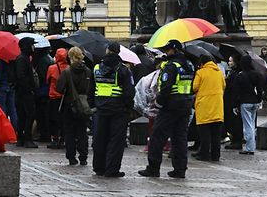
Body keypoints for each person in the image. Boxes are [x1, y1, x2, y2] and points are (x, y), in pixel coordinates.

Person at [139, 39, 194, 179]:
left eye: (168, 49)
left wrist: (158, 104)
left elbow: (165, 88)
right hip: (186, 104)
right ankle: (180, 169)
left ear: (174, 50)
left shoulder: (171, 66)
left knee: (157, 136)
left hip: (170, 105)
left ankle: (153, 168)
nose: (165, 51)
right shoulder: (189, 65)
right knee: (180, 138)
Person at [89, 42, 135, 178]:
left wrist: (93, 105)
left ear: (107, 50)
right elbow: (129, 92)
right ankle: (112, 169)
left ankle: (98, 167)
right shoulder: (123, 69)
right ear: (118, 52)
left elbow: (90, 89)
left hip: (101, 109)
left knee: (99, 139)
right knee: (116, 141)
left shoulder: (96, 68)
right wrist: (128, 107)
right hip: (118, 110)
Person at [55, 47, 91, 166]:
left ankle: (71, 157)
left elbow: (59, 88)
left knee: (69, 132)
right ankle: (83, 157)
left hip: (69, 105)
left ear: (70, 57)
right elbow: (90, 89)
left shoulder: (67, 71)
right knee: (82, 132)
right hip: (83, 105)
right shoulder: (87, 71)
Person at [192, 54, 225, 162]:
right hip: (217, 107)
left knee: (205, 134)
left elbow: (194, 87)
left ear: (202, 63)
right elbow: (224, 85)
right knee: (216, 134)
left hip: (204, 107)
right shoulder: (219, 72)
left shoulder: (200, 73)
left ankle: (204, 154)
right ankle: (216, 155)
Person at [230, 55, 263, 155]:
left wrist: (235, 105)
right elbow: (260, 89)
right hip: (254, 102)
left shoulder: (240, 76)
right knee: (252, 124)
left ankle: (250, 148)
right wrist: (259, 100)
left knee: (248, 126)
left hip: (245, 102)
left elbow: (236, 92)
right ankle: (251, 146)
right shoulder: (257, 74)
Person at [13, 37, 38, 148]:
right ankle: (27, 138)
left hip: (23, 92)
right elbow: (21, 77)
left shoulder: (24, 58)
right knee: (29, 114)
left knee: (23, 115)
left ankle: (21, 139)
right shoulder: (22, 59)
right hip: (24, 93)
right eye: (32, 45)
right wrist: (29, 89)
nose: (34, 47)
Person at [45, 48, 69, 149]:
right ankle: (63, 139)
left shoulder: (52, 68)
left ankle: (55, 139)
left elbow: (47, 81)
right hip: (65, 97)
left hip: (54, 96)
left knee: (54, 119)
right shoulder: (69, 68)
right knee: (64, 119)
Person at [223, 55, 243, 150]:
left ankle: (236, 141)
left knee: (235, 122)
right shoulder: (232, 72)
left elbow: (234, 88)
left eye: (231, 61)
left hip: (233, 100)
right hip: (230, 100)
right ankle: (234, 139)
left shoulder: (237, 74)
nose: (229, 63)